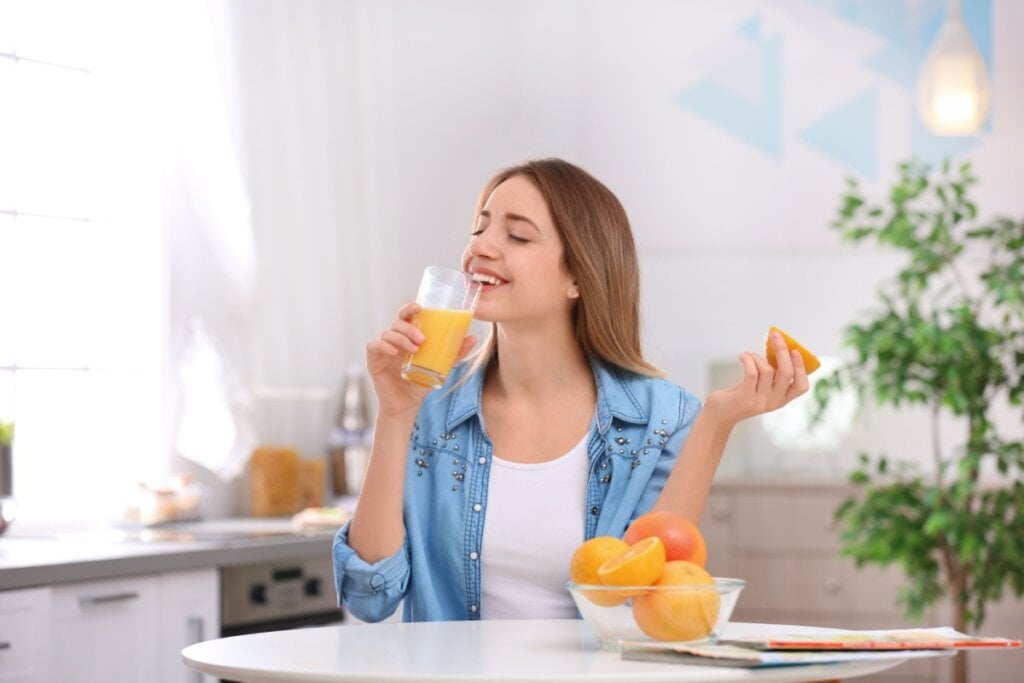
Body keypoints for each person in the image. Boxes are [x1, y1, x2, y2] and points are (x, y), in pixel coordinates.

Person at [332, 158, 808, 623]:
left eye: (517, 235)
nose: (482, 247)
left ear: (578, 276)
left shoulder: (661, 418)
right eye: (480, 229)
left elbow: (643, 599)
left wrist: (716, 423)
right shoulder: (429, 406)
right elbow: (368, 597)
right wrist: (394, 415)